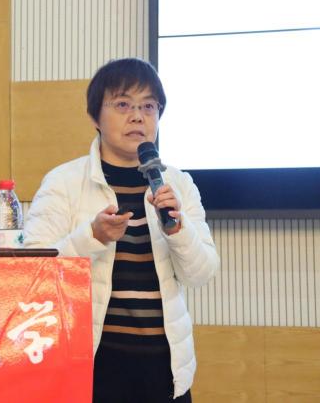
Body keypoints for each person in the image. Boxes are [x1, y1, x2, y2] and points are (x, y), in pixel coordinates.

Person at [23, 58, 219, 402]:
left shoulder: (177, 184)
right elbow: (31, 271)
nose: (138, 116)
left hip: (165, 368)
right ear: (94, 117)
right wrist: (91, 238)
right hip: (93, 365)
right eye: (123, 105)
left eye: (148, 106)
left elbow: (200, 273)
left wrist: (178, 230)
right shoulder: (64, 182)